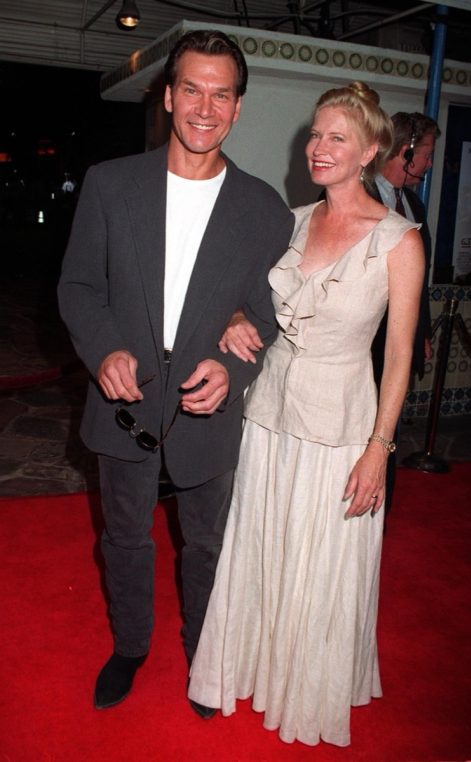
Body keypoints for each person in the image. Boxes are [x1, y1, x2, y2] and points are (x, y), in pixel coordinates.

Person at [57, 29, 294, 713]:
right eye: (192, 89)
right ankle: (131, 645)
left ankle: (204, 652)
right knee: (125, 536)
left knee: (208, 544)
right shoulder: (110, 185)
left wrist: (232, 370)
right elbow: (78, 287)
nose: (204, 108)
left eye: (221, 95)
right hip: (125, 400)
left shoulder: (264, 210)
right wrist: (105, 349)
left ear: (238, 107)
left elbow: (266, 315)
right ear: (168, 96)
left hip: (206, 409)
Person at [188, 81, 425, 746]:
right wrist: (234, 317)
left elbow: (400, 355)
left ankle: (306, 684)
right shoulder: (288, 222)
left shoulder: (398, 241)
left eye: (337, 138)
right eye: (315, 134)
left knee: (320, 565)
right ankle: (253, 665)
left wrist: (379, 448)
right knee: (260, 547)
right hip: (266, 415)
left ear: (369, 151)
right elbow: (239, 297)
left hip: (341, 426)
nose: (319, 147)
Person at [369, 111, 440, 514]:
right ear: (405, 151)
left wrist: (421, 332)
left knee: (388, 428)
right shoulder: (359, 194)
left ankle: (380, 512)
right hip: (366, 340)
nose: (428, 164)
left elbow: (420, 281)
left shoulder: (414, 205)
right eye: (426, 154)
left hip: (400, 339)